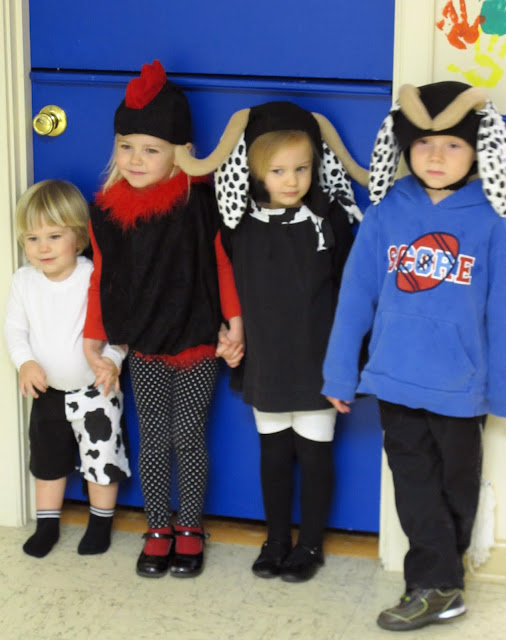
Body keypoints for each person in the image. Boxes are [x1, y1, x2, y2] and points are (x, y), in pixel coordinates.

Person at [322, 81, 506, 630]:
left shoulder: (492, 220)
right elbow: (355, 296)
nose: (435, 156)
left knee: (455, 489)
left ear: (477, 150)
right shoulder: (387, 212)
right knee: (415, 486)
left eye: (452, 144)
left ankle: (443, 584)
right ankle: (432, 587)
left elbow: (501, 310)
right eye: (424, 143)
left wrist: (499, 388)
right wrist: (340, 371)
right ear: (405, 147)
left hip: (461, 386)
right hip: (395, 378)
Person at [176, 100, 367, 582]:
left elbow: (354, 293)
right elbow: (225, 285)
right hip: (266, 359)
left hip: (319, 362)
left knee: (315, 454)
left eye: (302, 168)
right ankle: (276, 539)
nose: (292, 180)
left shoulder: (330, 220)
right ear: (256, 170)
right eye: (278, 170)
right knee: (274, 453)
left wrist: (348, 365)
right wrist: (227, 331)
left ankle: (311, 545)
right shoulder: (239, 224)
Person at [83, 60, 242, 579]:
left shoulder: (199, 203)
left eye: (151, 149)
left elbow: (222, 264)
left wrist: (235, 322)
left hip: (197, 340)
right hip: (145, 345)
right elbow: (101, 278)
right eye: (126, 146)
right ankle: (157, 527)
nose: (136, 159)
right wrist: (94, 338)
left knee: (189, 435)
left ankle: (190, 525)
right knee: (152, 437)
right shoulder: (107, 212)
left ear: (180, 152)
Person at [4, 179, 130, 559]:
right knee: (47, 462)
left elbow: (120, 329)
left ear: (78, 238)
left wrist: (113, 361)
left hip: (96, 390)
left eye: (54, 236)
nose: (42, 248)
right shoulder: (24, 281)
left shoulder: (93, 276)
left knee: (102, 460)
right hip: (48, 392)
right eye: (32, 238)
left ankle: (100, 524)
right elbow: (15, 330)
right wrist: (25, 362)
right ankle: (47, 526)